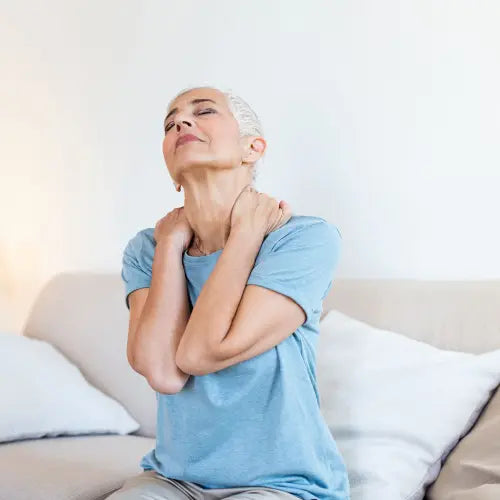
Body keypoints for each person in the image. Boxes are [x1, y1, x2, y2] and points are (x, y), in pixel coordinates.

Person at [110, 86, 349, 500]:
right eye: (170, 123)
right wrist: (169, 245)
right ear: (170, 167)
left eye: (204, 111)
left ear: (252, 148)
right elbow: (164, 373)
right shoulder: (147, 248)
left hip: (283, 485)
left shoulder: (303, 239)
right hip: (172, 480)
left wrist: (246, 233)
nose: (181, 122)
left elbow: (199, 354)